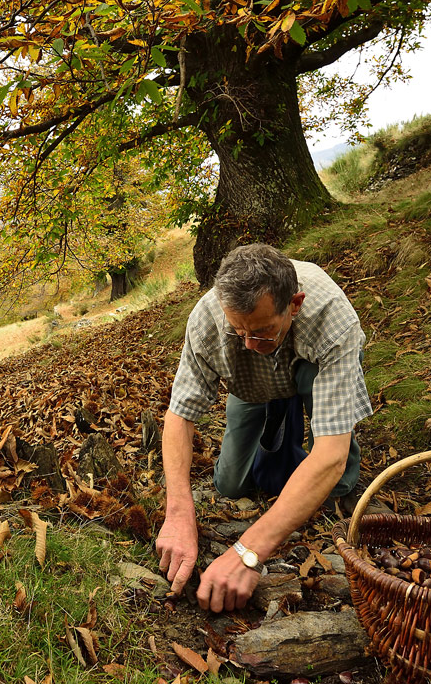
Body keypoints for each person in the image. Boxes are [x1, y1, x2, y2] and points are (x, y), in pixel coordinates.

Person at [154, 243, 372, 613]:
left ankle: (300, 418)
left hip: (312, 371)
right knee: (231, 484)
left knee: (335, 481)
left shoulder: (332, 318)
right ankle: (280, 421)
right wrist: (178, 513)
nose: (251, 344)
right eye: (239, 332)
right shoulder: (208, 320)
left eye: (263, 330)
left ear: (295, 304)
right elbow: (179, 416)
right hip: (250, 386)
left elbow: (331, 456)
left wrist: (247, 551)